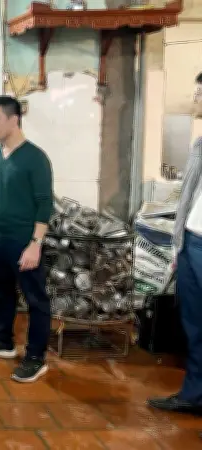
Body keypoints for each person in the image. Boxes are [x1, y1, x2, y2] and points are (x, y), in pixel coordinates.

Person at [0, 95, 54, 383]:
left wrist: (35, 244)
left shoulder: (35, 158)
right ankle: (3, 340)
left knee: (35, 299)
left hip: (23, 241)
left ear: (13, 119)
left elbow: (44, 204)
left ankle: (36, 357)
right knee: (0, 291)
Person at [148, 72, 202, 415]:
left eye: (199, 94)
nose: (195, 100)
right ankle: (194, 394)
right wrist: (178, 243)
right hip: (193, 243)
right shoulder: (200, 143)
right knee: (194, 325)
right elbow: (187, 195)